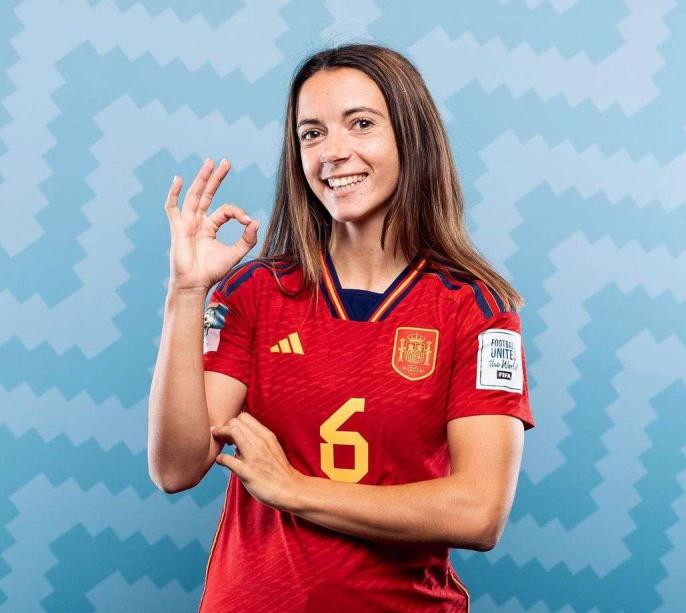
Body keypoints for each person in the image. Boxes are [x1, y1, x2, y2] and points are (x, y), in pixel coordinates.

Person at [148, 43, 535, 612]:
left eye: (361, 124)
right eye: (312, 133)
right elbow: (176, 468)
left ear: (411, 137)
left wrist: (295, 490)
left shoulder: (475, 309)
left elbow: (479, 513)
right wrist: (185, 293)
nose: (333, 151)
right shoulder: (254, 293)